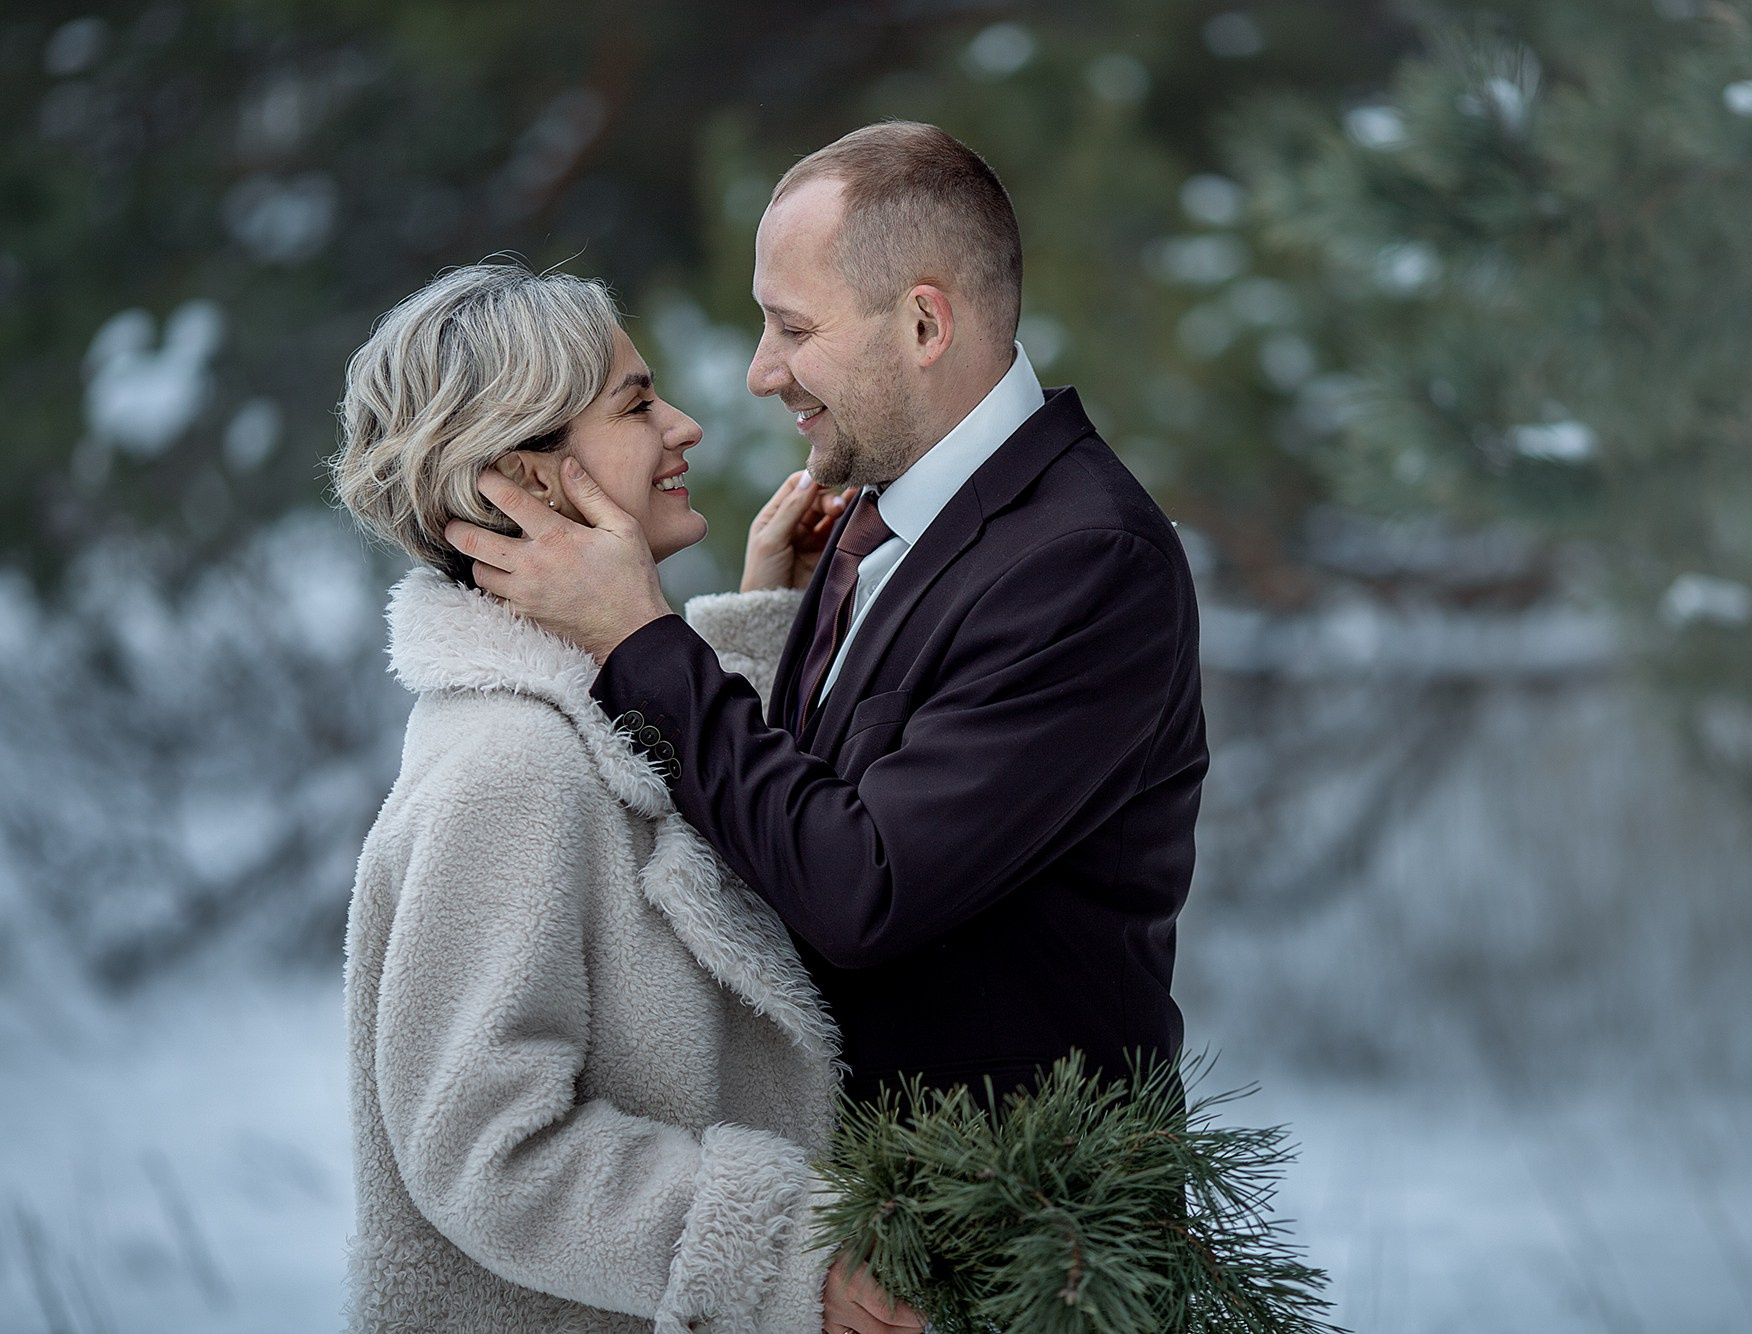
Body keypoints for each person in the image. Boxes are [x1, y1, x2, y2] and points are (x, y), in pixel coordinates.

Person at [446, 122, 1208, 1114]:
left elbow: (861, 884)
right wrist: (772, 619)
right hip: (860, 1223)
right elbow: (781, 815)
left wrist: (639, 638)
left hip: (1020, 1237)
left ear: (924, 327)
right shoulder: (870, 519)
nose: (760, 372)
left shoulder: (1083, 560)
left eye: (794, 330)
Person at [332, 263, 920, 1333]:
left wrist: (753, 629)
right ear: (530, 478)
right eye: (637, 403)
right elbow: (484, 1146)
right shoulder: (506, 767)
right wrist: (791, 1252)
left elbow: (658, 811)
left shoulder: (562, 726)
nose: (685, 424)